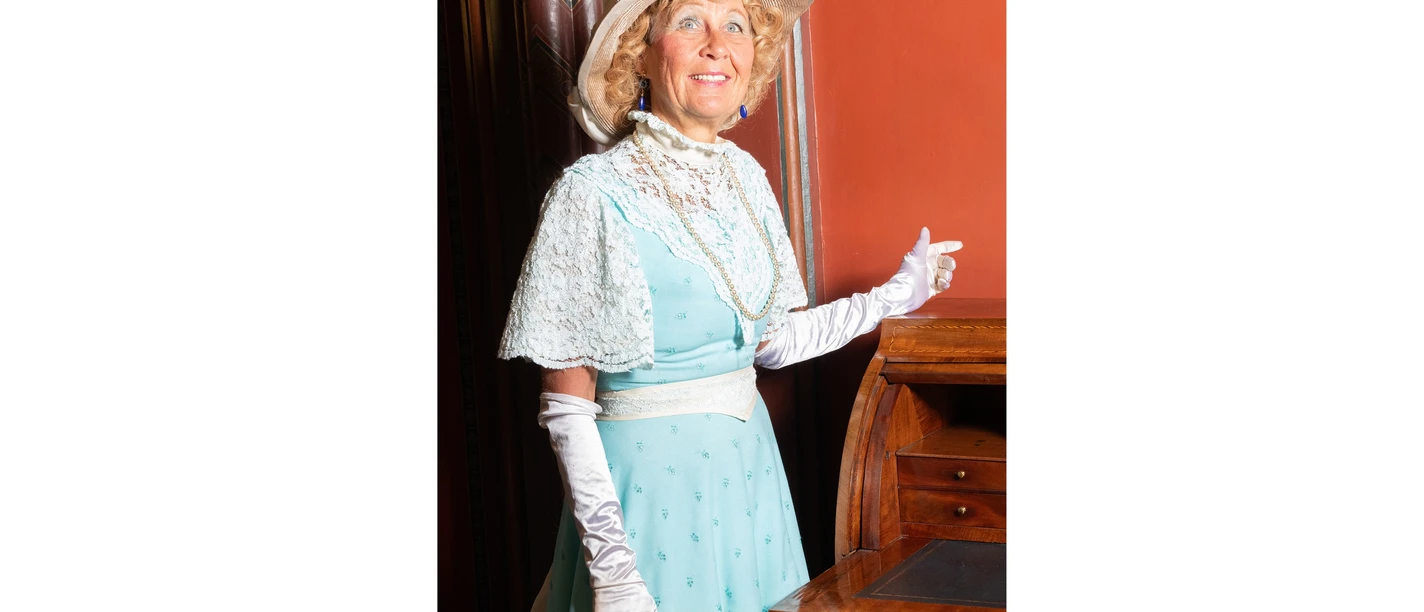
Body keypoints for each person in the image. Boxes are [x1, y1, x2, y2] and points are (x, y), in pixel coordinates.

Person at [498, 0, 961, 609]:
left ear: (752, 58)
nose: (718, 44)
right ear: (641, 49)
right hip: (647, 501)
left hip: (749, 480)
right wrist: (613, 572)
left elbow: (771, 344)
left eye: (735, 26)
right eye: (690, 21)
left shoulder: (745, 177)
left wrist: (894, 297)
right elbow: (565, 405)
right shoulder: (589, 194)